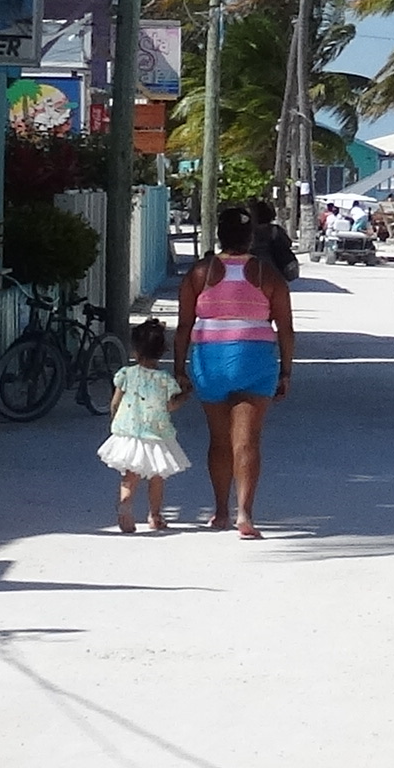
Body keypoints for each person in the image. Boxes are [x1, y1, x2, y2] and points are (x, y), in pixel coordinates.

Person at [178, 203, 295, 539]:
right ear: (250, 237)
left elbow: (185, 324)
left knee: (218, 440)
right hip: (254, 358)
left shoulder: (199, 273)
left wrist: (179, 369)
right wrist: (286, 371)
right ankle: (245, 513)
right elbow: (285, 328)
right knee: (247, 441)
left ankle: (219, 512)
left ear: (220, 235)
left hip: (209, 359)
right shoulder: (266, 274)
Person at [100, 317, 190, 535]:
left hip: (129, 433)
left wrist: (115, 421)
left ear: (135, 351)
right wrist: (185, 396)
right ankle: (155, 515)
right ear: (163, 351)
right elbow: (169, 406)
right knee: (157, 476)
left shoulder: (126, 374)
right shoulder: (165, 380)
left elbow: (115, 402)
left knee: (129, 475)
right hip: (156, 435)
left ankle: (125, 505)